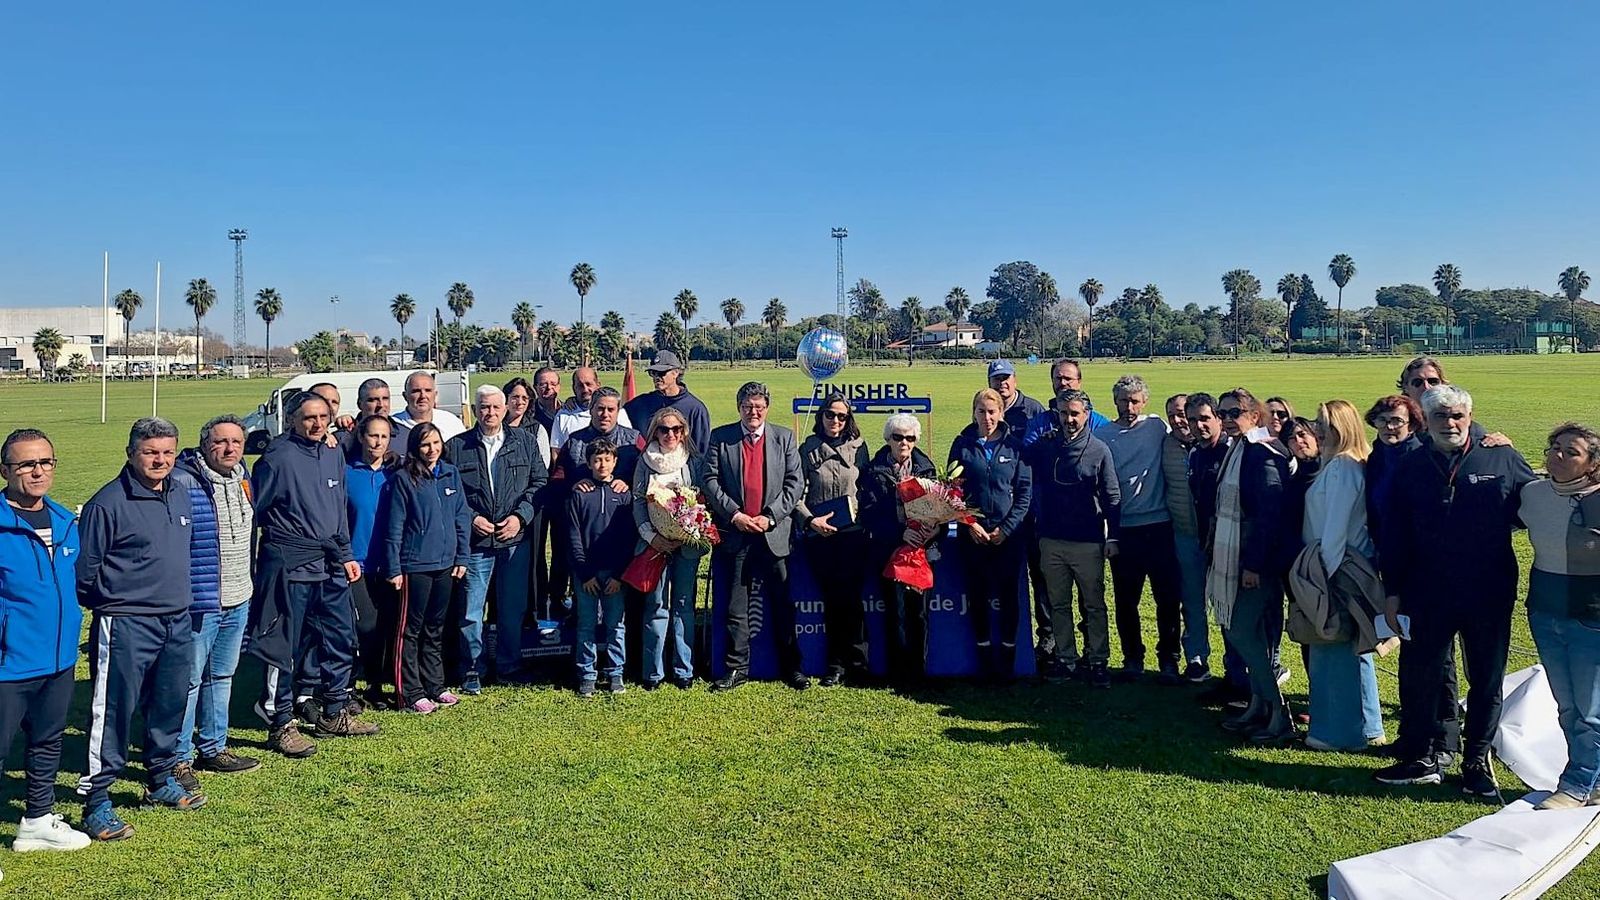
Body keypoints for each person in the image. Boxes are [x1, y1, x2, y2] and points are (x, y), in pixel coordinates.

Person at [1374, 385, 1535, 794]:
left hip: (1489, 591)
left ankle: (1476, 762)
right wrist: (1393, 590)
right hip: (1426, 591)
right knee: (1423, 675)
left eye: (1458, 415)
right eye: (1441, 416)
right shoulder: (1411, 466)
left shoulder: (1501, 456)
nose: (1451, 423)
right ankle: (1427, 755)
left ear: (1470, 415)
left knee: (1485, 678)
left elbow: (1538, 506)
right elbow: (1395, 533)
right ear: (1425, 421)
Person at [77, 417, 205, 841]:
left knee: (170, 703)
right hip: (127, 622)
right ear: (131, 453)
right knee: (113, 711)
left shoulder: (181, 493)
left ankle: (160, 779)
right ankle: (96, 802)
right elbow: (85, 573)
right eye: (151, 452)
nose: (160, 460)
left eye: (168, 452)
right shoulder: (107, 504)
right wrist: (117, 604)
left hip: (176, 619)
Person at [249, 391, 377, 760]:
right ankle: (280, 721)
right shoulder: (278, 456)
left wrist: (346, 555)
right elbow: (260, 510)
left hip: (331, 563)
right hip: (291, 564)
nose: (317, 423)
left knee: (340, 637)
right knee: (284, 647)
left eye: (323, 416)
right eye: (309, 417)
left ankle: (335, 711)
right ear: (292, 419)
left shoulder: (333, 451)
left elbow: (337, 510)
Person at [0, 429, 92, 854]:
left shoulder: (63, 520)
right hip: (9, 663)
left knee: (47, 741)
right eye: (26, 464)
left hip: (56, 659)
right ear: (5, 471)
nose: (38, 471)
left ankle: (36, 820)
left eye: (45, 462)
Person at [168, 415, 260, 785]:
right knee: (188, 680)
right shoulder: (184, 480)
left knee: (221, 676)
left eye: (236, 442)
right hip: (201, 599)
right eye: (220, 442)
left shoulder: (244, 476)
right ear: (205, 444)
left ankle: (214, 746)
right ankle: (178, 758)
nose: (229, 448)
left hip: (239, 594)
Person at [445, 385, 549, 692]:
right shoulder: (456, 447)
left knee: (511, 609)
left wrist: (520, 518)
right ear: (475, 410)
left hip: (514, 541)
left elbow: (539, 483)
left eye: (495, 407)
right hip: (476, 545)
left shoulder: (525, 443)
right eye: (484, 407)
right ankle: (472, 670)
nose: (490, 413)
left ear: (505, 410)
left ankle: (509, 666)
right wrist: (471, 518)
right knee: (470, 611)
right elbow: (451, 494)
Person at [702, 382, 805, 691]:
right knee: (736, 606)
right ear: (739, 408)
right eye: (748, 407)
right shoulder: (721, 438)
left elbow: (795, 483)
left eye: (759, 406)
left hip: (773, 534)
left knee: (782, 604)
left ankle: (792, 668)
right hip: (736, 532)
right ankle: (737, 669)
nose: (753, 412)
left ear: (767, 408)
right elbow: (708, 480)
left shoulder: (784, 438)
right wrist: (735, 514)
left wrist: (770, 516)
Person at [1521, 423, 1600, 809]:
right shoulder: (1533, 494)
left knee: (1590, 709)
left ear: (1592, 463)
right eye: (1554, 447)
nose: (1559, 455)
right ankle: (1592, 776)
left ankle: (1576, 786)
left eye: (1572, 451)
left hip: (1592, 618)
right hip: (1545, 612)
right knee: (1567, 706)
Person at [1209, 389, 1295, 745]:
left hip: (1255, 563)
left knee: (1243, 632)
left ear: (1255, 415)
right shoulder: (1239, 449)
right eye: (1222, 412)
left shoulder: (1262, 454)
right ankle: (1259, 705)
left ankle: (1279, 714)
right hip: (1238, 557)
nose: (1228, 418)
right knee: (1248, 635)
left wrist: (1254, 565)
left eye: (1236, 412)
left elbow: (1270, 513)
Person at [1298, 400, 1385, 752]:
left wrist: (1324, 578)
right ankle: (1368, 725)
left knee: (1331, 648)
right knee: (1356, 648)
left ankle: (1336, 732)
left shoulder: (1342, 468)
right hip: (1341, 563)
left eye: (1325, 425)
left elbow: (1335, 528)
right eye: (1317, 423)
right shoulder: (1340, 464)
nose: (1318, 430)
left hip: (1335, 566)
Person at [1025, 389, 1120, 688]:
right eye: (1064, 413)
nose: (1069, 419)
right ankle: (1065, 659)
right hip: (1051, 540)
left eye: (1075, 414)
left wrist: (1113, 536)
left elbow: (1111, 495)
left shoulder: (1099, 450)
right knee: (1058, 604)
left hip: (1088, 541)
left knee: (1093, 605)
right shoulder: (1046, 446)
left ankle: (1098, 660)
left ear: (1087, 415)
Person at [1095, 375, 1184, 683]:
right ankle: (1133, 657)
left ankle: (1169, 659)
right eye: (1123, 400)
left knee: (1167, 599)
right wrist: (1110, 531)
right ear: (1114, 401)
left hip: (1160, 527)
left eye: (1135, 401)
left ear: (1144, 401)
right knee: (1126, 601)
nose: (1129, 407)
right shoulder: (1104, 435)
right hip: (1125, 529)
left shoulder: (1157, 427)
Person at [385, 422, 471, 713]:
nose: (432, 449)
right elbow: (395, 525)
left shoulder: (450, 473)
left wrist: (462, 557)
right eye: (425, 444)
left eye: (436, 443)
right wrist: (394, 567)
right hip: (415, 565)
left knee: (435, 628)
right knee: (411, 630)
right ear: (415, 448)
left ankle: (435, 685)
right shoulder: (404, 479)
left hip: (446, 564)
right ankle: (410, 692)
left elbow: (461, 517)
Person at [949, 388, 1032, 679]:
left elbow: (1024, 494)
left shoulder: (1016, 447)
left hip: (1006, 537)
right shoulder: (962, 444)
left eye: (992, 411)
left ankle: (1008, 659)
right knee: (978, 596)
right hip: (972, 535)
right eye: (982, 411)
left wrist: (1006, 529)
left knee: (1009, 597)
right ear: (973, 412)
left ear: (1002, 413)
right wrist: (970, 523)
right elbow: (952, 490)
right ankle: (984, 659)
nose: (987, 417)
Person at [794, 394, 871, 686]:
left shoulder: (860, 447)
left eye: (841, 416)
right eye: (830, 415)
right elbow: (795, 493)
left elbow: (867, 488)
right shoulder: (808, 448)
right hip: (821, 536)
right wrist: (810, 520)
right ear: (821, 416)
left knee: (853, 601)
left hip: (853, 537)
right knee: (832, 601)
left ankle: (859, 663)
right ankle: (835, 665)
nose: (835, 421)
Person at [860, 413, 940, 686]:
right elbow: (868, 513)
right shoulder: (874, 471)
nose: (903, 442)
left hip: (920, 551)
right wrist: (899, 532)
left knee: (919, 613)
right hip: (889, 551)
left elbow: (937, 508)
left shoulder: (927, 469)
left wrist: (932, 528)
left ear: (916, 440)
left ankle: (918, 671)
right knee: (895, 613)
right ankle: (897, 672)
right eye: (897, 437)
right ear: (888, 439)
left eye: (909, 438)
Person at [634, 407, 707, 690]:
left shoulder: (694, 461)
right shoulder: (645, 461)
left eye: (676, 429)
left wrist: (690, 530)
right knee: (656, 606)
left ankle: (684, 670)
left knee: (683, 605)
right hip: (654, 545)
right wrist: (653, 537)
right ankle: (653, 673)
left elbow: (700, 499)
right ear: (655, 431)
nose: (670, 435)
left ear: (684, 431)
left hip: (686, 546)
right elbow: (638, 503)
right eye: (664, 429)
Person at [1187, 392, 1252, 706]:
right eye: (1192, 420)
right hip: (1211, 546)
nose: (1199, 426)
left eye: (1205, 418)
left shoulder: (1233, 451)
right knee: (1224, 617)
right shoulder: (1196, 454)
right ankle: (1233, 679)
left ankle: (1246, 685)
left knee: (1239, 619)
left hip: (1236, 548)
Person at [566, 438, 637, 697]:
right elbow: (573, 535)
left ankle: (615, 672)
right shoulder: (579, 494)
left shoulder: (624, 494)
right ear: (588, 463)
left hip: (614, 573)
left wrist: (619, 574)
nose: (602, 464)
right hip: (587, 573)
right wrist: (584, 573)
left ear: (615, 462)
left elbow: (628, 537)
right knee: (586, 624)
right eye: (596, 459)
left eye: (607, 459)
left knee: (615, 623)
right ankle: (587, 674)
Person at [346, 413, 399, 710]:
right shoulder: (346, 473)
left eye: (383, 436)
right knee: (364, 625)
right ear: (361, 437)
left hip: (389, 563)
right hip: (357, 564)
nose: (377, 442)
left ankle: (377, 685)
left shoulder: (396, 473)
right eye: (372, 435)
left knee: (385, 625)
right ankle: (351, 682)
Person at [1163, 393, 1211, 682]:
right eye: (1173, 415)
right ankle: (1196, 657)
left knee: (1228, 604)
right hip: (1184, 535)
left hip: (1217, 539)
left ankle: (1237, 663)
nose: (1179, 421)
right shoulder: (1164, 443)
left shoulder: (1217, 446)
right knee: (1192, 601)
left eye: (1183, 414)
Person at [551, 387, 643, 487]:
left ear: (618, 412)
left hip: (624, 501)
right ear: (591, 410)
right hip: (582, 501)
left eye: (611, 410)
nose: (605, 414)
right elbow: (558, 479)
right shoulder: (574, 441)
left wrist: (628, 485)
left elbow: (647, 476)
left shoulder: (635, 440)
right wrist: (573, 486)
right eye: (600, 409)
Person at [625, 350, 712, 454]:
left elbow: (701, 450)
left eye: (661, 373)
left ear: (676, 373)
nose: (657, 377)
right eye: (653, 373)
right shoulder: (639, 404)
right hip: (647, 467)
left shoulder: (695, 409)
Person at [551, 366, 633, 453]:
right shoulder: (564, 415)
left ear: (598, 385)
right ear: (574, 388)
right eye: (580, 385)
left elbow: (628, 442)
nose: (585, 389)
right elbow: (556, 452)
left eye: (589, 384)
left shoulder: (619, 412)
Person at [393, 370, 467, 442]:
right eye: (416, 391)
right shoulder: (393, 425)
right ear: (405, 396)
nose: (423, 396)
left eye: (428, 390)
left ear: (435, 395)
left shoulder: (451, 423)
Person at [502, 376, 554, 468]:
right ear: (506, 398)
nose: (519, 402)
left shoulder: (537, 429)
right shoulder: (496, 427)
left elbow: (543, 464)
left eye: (524, 398)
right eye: (515, 397)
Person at [986, 359, 1044, 432]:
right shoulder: (984, 409)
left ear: (1015, 380)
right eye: (997, 379)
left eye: (1005, 377)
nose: (1002, 382)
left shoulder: (1033, 409)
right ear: (989, 382)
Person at [530, 366, 563, 438]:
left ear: (559, 387)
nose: (549, 387)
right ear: (535, 388)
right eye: (543, 384)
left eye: (553, 384)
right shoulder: (529, 414)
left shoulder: (568, 410)